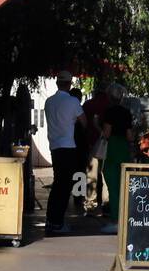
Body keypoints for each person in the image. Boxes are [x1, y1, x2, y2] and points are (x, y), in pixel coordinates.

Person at [43, 70, 85, 235]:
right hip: (68, 146)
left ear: (57, 83)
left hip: (54, 146)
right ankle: (57, 222)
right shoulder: (73, 102)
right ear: (69, 83)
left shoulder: (48, 102)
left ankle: (51, 220)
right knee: (65, 186)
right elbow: (84, 122)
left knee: (57, 184)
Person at [99, 83, 134, 235]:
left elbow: (106, 133)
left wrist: (96, 126)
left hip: (112, 147)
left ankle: (115, 220)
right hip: (124, 149)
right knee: (123, 184)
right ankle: (124, 217)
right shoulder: (127, 113)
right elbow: (130, 135)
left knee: (112, 185)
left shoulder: (108, 112)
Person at [81, 85, 110, 212]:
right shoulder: (109, 106)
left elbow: (83, 124)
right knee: (105, 175)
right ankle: (106, 203)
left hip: (92, 143)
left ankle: (90, 204)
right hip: (108, 144)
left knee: (91, 175)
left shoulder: (87, 105)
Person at [69, 86, 88, 214]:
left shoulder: (66, 110)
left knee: (68, 172)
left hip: (69, 145)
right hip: (79, 146)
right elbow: (85, 125)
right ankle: (78, 198)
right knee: (80, 172)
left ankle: (73, 197)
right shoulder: (79, 110)